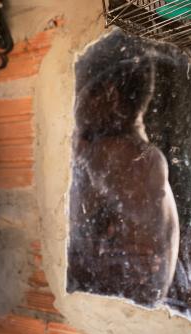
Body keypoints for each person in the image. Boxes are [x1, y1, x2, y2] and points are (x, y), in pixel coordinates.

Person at [68, 59, 180, 306]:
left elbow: (63, 248)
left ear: (109, 94)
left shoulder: (115, 155)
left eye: (79, 93)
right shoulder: (144, 156)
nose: (75, 106)